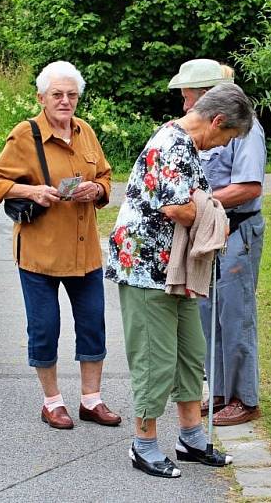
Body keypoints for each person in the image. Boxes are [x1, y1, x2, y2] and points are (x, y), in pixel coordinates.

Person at [106, 83, 254, 477]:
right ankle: (144, 445)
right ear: (217, 120)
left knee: (190, 353)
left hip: (178, 267)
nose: (221, 146)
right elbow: (178, 208)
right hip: (147, 268)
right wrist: (216, 216)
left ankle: (190, 438)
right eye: (226, 137)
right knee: (155, 359)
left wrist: (206, 208)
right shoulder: (171, 143)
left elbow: (194, 202)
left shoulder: (188, 146)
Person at [0, 61, 121, 430]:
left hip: (84, 252)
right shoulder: (24, 135)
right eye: (57, 95)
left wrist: (98, 189)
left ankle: (91, 400)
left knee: (93, 325)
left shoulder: (86, 131)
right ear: (41, 98)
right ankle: (53, 401)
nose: (65, 101)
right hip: (40, 254)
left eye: (71, 95)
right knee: (45, 328)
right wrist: (33, 190)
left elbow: (106, 174)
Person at [168, 59, 267, 426]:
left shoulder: (245, 128)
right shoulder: (198, 129)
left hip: (238, 232)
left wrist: (200, 205)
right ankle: (222, 392)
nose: (184, 106)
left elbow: (249, 187)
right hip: (212, 233)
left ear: (207, 96)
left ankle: (246, 398)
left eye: (188, 97)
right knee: (209, 314)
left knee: (235, 313)